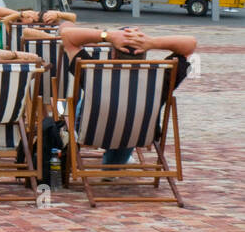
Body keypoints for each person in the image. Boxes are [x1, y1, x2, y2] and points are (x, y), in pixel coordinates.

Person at [59, 25, 197, 168]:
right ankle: (113, 165)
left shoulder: (92, 71)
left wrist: (108, 36)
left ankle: (78, 157)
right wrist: (152, 42)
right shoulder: (161, 76)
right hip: (141, 135)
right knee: (131, 116)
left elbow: (67, 34)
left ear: (113, 54)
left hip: (89, 133)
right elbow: (190, 44)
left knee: (85, 102)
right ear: (144, 52)